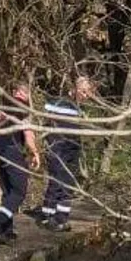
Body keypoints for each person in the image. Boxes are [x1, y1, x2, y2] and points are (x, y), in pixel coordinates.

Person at [35, 75, 96, 231]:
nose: (86, 95)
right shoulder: (59, 102)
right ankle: (48, 216)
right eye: (84, 91)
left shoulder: (79, 108)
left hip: (72, 148)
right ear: (76, 89)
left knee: (68, 184)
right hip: (58, 147)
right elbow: (47, 121)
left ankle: (61, 217)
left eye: (88, 92)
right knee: (57, 182)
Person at [0, 86, 41, 244]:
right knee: (19, 192)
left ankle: (5, 229)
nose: (21, 95)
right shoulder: (22, 110)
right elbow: (28, 134)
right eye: (22, 92)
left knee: (8, 192)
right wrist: (35, 152)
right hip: (12, 151)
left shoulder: (3, 109)